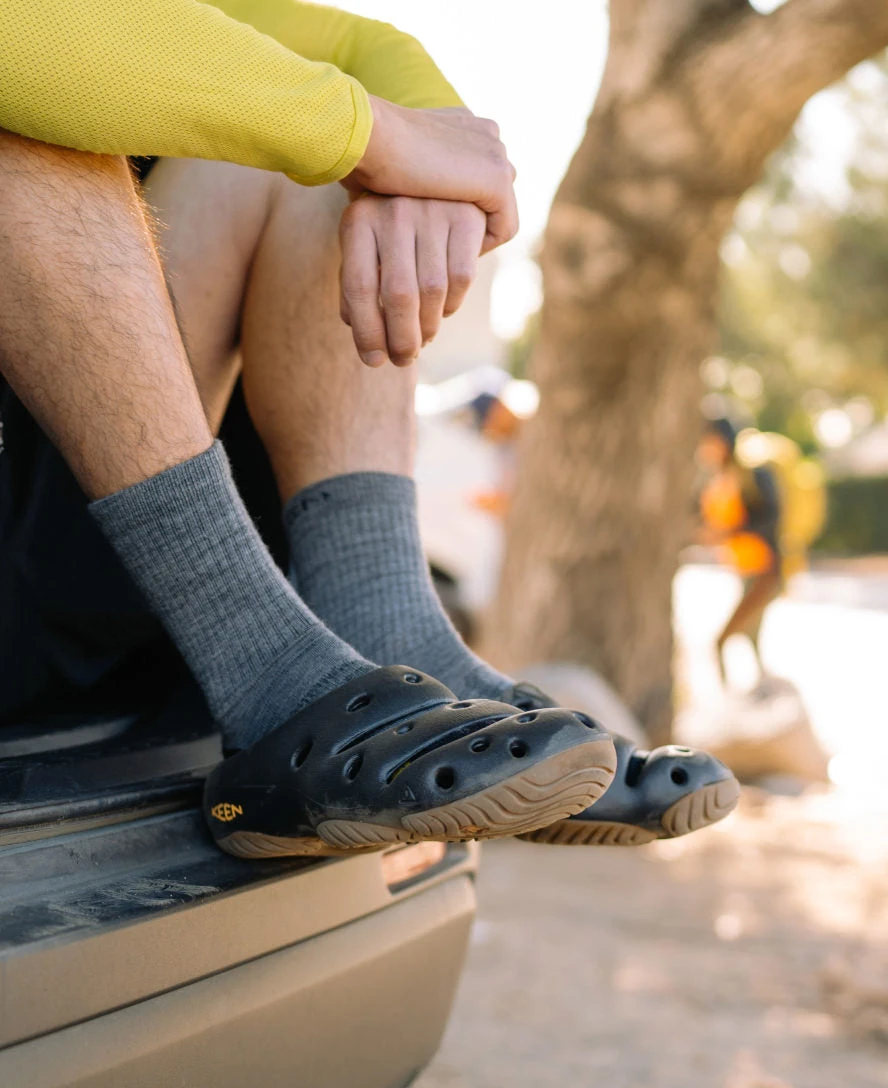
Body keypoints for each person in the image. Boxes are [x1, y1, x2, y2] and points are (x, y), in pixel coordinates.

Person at [0, 0, 737, 856]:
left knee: (295, 161)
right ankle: (275, 678)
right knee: (28, 123)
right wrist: (375, 136)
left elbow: (362, 46)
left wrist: (422, 168)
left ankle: (387, 632)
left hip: (75, 544)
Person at [697, 418, 783, 686]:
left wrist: (731, 532)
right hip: (742, 568)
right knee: (749, 636)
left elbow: (771, 515)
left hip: (764, 569)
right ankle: (755, 692)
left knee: (723, 639)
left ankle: (729, 699)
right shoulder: (715, 480)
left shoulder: (752, 475)